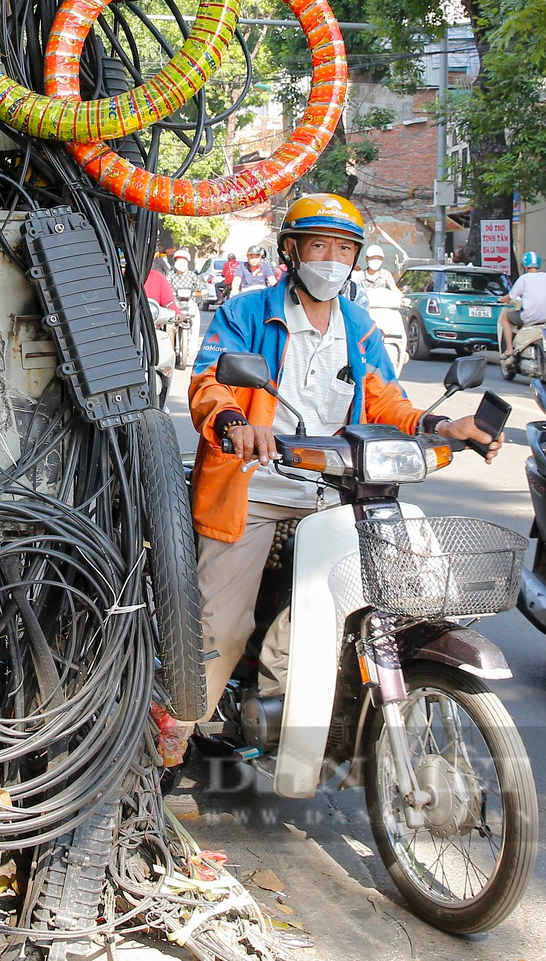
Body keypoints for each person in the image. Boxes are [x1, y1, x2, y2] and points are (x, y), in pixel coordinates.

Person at [186, 194, 501, 716]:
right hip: (254, 486)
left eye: (342, 248)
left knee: (352, 599)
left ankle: (282, 700)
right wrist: (234, 422)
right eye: (318, 245)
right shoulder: (245, 311)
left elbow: (385, 400)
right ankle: (174, 737)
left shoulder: (358, 325)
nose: (330, 258)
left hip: (333, 489)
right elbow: (208, 381)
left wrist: (442, 425)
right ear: (292, 250)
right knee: (221, 625)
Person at [145, 258, 180, 408]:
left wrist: (177, 314)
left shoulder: (158, 278)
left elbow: (170, 303)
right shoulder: (119, 277)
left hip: (153, 333)